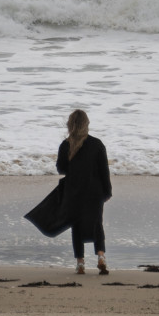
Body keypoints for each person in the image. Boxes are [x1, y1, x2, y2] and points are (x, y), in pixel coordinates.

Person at [56, 110, 112, 275]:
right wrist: (107, 191)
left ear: (70, 124)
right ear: (86, 124)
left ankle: (80, 263)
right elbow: (104, 171)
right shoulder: (97, 144)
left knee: (76, 225)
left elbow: (61, 169)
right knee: (97, 223)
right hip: (95, 191)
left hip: (74, 191)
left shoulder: (66, 144)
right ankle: (101, 257)